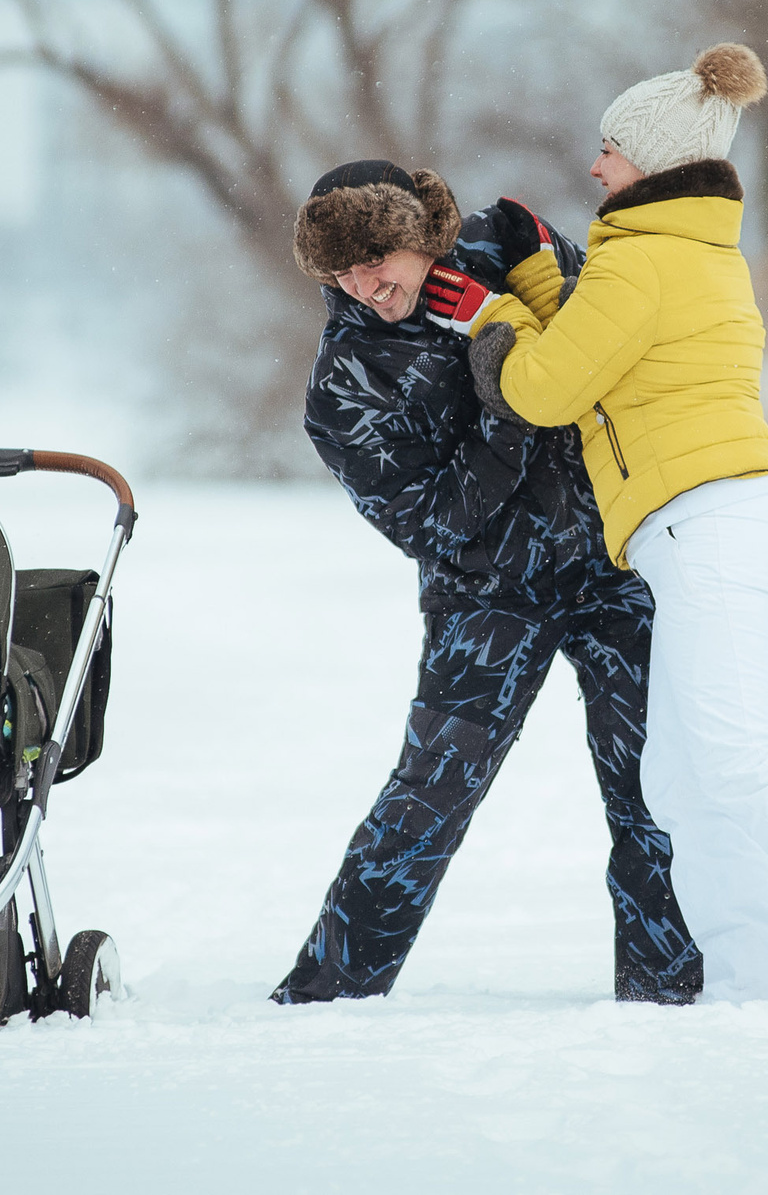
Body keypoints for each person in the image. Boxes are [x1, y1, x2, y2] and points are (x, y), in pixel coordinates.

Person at [419, 47, 768, 1002]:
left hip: (711, 531)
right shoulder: (682, 254)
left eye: (609, 150)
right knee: (683, 785)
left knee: (740, 763)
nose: (595, 167)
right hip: (732, 527)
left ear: (646, 160)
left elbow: (548, 387)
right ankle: (752, 982)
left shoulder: (639, 260)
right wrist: (519, 301)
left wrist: (486, 323)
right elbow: (603, 358)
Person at [270, 159, 702, 1005]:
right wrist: (508, 403)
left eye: (378, 257)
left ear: (420, 234)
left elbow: (613, 347)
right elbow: (434, 524)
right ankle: (328, 994)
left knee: (653, 784)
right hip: (485, 595)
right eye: (342, 270)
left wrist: (534, 294)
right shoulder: (343, 383)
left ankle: (670, 988)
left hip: (610, 565)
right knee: (431, 791)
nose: (365, 284)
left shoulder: (506, 254)